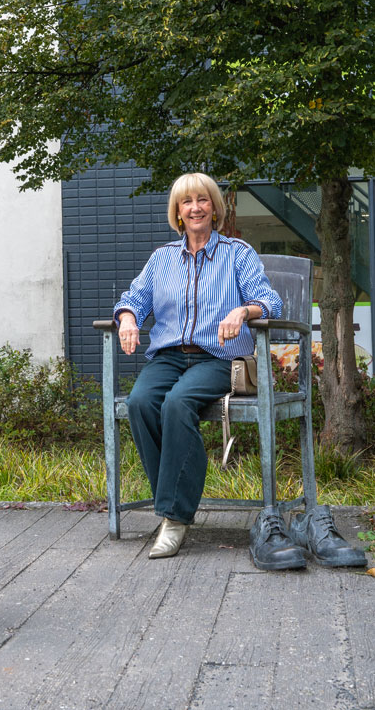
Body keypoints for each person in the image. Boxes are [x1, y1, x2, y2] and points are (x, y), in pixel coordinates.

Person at [114, 173, 285, 559]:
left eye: (203, 200)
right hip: (170, 355)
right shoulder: (161, 259)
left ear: (214, 207)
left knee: (177, 403)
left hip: (220, 357)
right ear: (177, 211)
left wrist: (243, 311)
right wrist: (127, 317)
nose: (195, 208)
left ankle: (174, 518)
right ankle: (175, 495)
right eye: (187, 202)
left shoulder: (237, 253)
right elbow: (134, 297)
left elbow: (269, 300)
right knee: (141, 402)